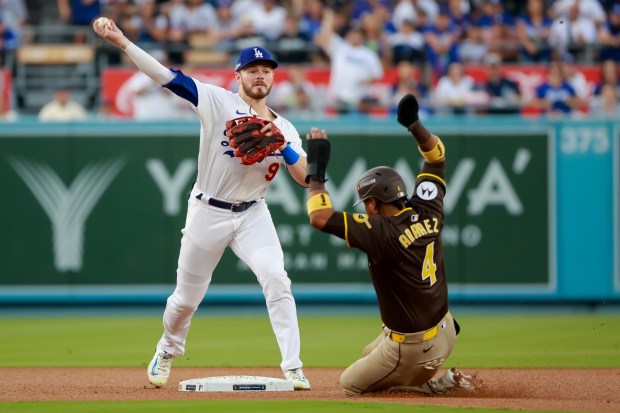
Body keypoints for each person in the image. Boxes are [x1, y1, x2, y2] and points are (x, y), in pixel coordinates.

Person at [93, 18, 311, 390]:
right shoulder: (217, 100)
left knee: (277, 278)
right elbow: (168, 78)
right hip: (208, 211)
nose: (260, 76)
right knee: (185, 300)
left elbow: (305, 177)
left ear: (273, 78)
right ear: (239, 75)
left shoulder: (285, 127)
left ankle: (293, 366)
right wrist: (124, 42)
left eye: (266, 71)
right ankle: (167, 348)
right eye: (253, 70)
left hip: (253, 213)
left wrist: (285, 147)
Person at [303, 93, 477, 396]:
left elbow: (319, 217)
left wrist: (315, 171)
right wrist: (414, 125)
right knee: (367, 351)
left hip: (414, 347)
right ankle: (421, 371)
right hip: (446, 330)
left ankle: (433, 383)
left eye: (365, 203)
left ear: (372, 203)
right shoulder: (427, 208)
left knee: (350, 384)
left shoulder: (381, 230)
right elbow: (437, 155)